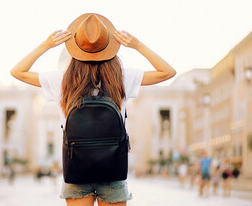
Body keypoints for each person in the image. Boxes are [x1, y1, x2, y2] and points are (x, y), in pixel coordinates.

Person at [11, 13, 176, 206]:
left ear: (75, 49)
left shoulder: (63, 80)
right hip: (113, 166)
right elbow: (168, 72)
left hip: (76, 167)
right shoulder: (121, 77)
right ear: (109, 48)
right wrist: (137, 45)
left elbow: (17, 71)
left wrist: (46, 45)